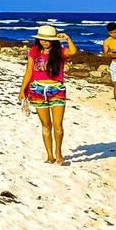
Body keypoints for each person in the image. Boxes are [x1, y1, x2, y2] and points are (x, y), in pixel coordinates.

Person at [21, 24, 77, 165]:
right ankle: (49, 156)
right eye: (41, 39)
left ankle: (58, 153)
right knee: (46, 125)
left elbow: (73, 52)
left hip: (56, 89)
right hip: (38, 89)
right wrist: (23, 89)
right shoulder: (34, 51)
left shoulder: (61, 52)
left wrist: (67, 38)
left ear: (53, 40)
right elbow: (29, 71)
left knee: (58, 125)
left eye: (47, 39)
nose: (44, 42)